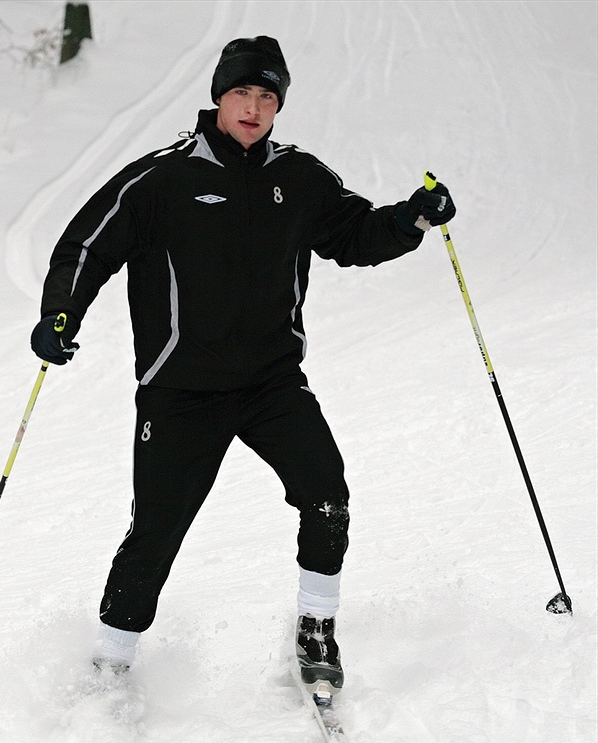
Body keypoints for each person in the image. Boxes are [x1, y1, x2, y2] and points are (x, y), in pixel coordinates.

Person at [30, 36, 455, 699]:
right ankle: (111, 664)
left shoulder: (298, 176)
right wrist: (61, 315)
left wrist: (412, 220)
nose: (253, 108)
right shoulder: (162, 179)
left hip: (270, 384)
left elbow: (354, 235)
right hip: (181, 391)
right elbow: (85, 244)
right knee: (156, 531)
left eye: (267, 97)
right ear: (218, 98)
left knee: (327, 495)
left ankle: (316, 632)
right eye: (241, 94)